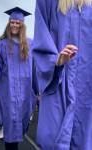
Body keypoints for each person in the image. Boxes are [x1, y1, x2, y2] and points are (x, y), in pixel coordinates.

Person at [32, 0, 92, 149]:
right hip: (58, 84)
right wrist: (55, 61)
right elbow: (41, 38)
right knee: (54, 140)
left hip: (88, 88)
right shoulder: (48, 2)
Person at [0, 7, 39, 150]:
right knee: (10, 126)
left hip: (26, 91)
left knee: (24, 123)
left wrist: (38, 91)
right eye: (12, 22)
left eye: (17, 23)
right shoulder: (1, 45)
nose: (14, 25)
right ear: (8, 23)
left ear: (22, 25)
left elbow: (35, 68)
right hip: (8, 92)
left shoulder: (30, 44)